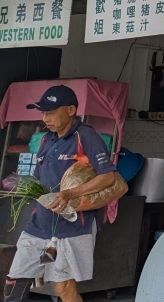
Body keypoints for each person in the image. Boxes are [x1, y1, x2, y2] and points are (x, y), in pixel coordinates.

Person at [4, 86, 120, 302]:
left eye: (50, 112)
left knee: (64, 288)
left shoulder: (86, 137)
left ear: (70, 110)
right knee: (16, 280)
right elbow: (41, 176)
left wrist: (70, 193)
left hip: (71, 228)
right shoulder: (47, 139)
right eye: (42, 113)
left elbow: (108, 177)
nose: (45, 118)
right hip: (40, 225)